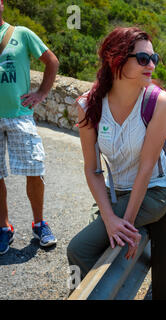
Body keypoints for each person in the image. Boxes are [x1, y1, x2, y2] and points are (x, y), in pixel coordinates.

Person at [67, 27, 166, 279]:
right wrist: (110, 218)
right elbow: (93, 169)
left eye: (153, 58)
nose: (152, 66)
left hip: (154, 192)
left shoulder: (157, 103)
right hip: (117, 192)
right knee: (97, 241)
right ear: (116, 60)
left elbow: (146, 168)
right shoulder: (89, 105)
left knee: (78, 249)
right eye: (143, 59)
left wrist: (124, 223)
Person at [0, 0, 59, 255]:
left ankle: (39, 223)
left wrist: (41, 93)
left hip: (19, 115)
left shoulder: (21, 33)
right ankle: (3, 227)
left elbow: (51, 61)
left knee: (35, 168)